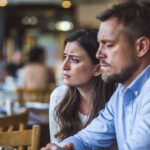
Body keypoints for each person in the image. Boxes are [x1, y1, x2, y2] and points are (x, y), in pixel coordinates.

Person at [42, 0, 150, 150]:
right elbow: (87, 137)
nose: (99, 54)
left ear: (141, 47)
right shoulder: (122, 92)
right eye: (100, 44)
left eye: (109, 44)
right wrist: (60, 148)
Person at [49, 29, 116, 145]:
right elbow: (57, 145)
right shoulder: (59, 96)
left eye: (75, 60)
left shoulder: (116, 100)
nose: (64, 66)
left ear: (98, 69)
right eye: (65, 57)